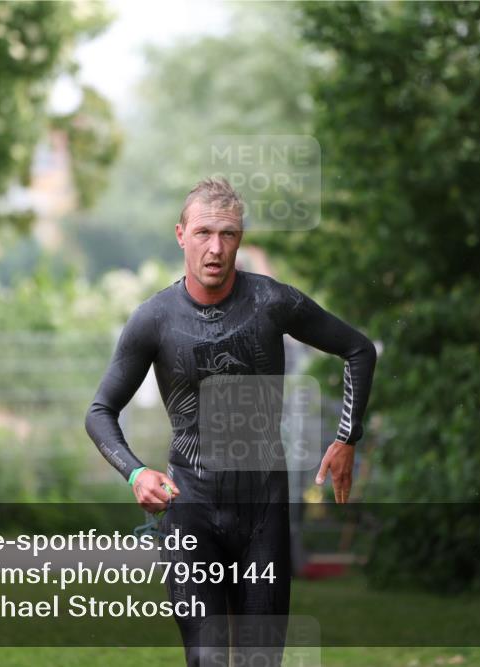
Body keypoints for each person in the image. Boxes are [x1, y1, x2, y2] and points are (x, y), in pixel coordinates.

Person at [85, 176, 377, 666]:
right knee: (208, 658)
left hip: (262, 510)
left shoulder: (272, 302)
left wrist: (347, 437)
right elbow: (100, 413)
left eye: (228, 234)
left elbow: (358, 349)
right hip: (190, 508)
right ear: (181, 235)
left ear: (240, 238)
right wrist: (135, 472)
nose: (215, 248)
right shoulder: (153, 319)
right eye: (203, 233)